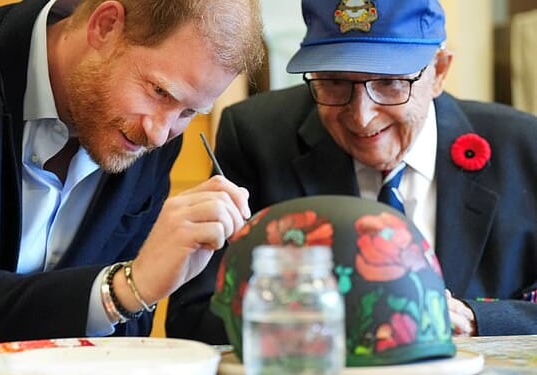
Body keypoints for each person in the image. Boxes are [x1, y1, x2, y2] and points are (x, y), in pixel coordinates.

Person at [0, 0, 263, 355]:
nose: (158, 134)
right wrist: (125, 288)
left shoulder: (155, 132)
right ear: (105, 26)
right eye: (158, 91)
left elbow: (126, 329)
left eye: (189, 111)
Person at [166, 0, 537, 343]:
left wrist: (476, 319)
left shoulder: (523, 148)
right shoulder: (256, 137)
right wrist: (330, 316)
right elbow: (193, 319)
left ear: (439, 71)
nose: (362, 116)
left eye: (391, 84)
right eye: (334, 83)